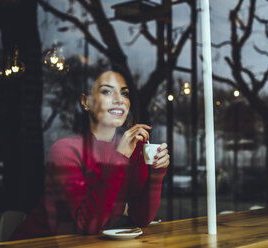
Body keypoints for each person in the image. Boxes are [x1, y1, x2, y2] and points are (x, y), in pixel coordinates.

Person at [12, 66, 170, 240]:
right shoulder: (65, 150)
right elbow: (87, 223)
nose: (119, 100)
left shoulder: (132, 150)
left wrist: (156, 174)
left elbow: (140, 218)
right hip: (38, 242)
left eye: (124, 93)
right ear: (86, 101)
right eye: (107, 92)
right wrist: (120, 157)